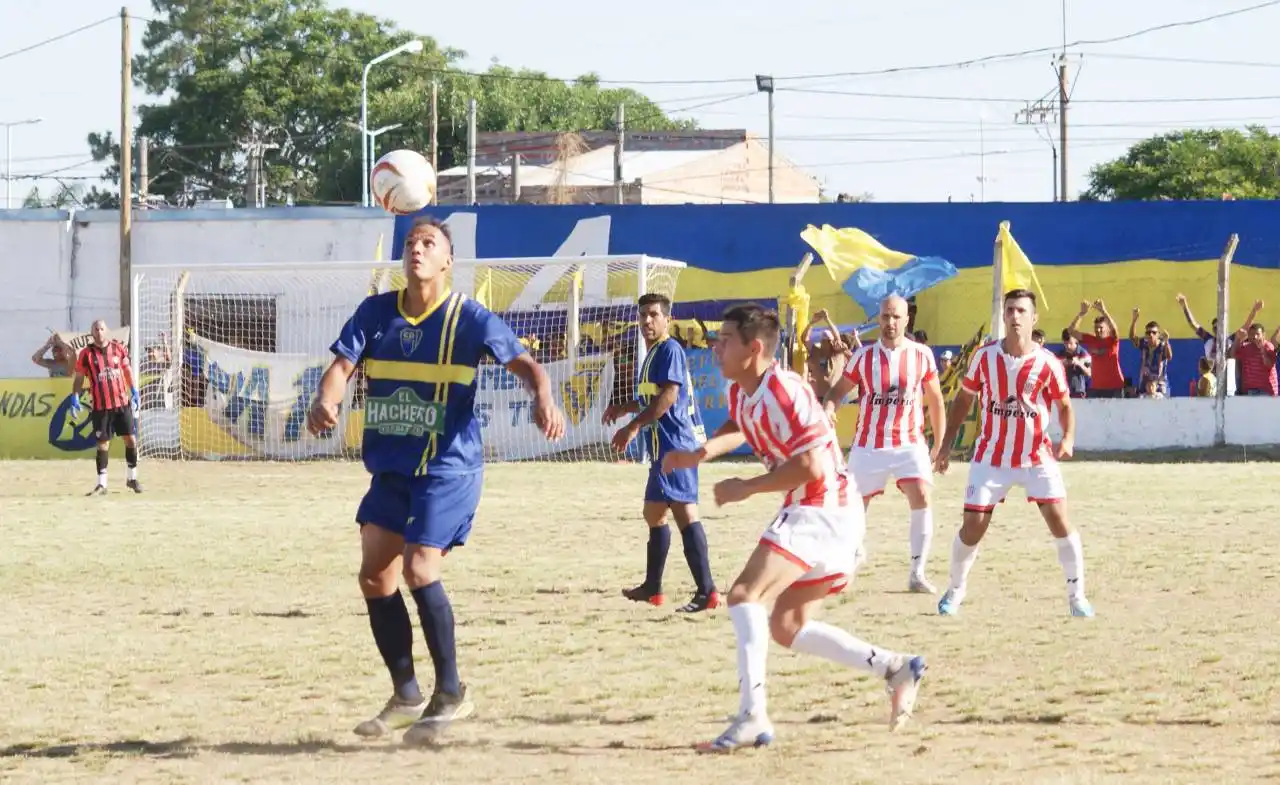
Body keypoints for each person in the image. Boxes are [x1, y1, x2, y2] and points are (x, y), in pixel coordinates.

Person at [307, 216, 566, 746]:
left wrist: (543, 396)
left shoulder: (469, 318)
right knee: (375, 576)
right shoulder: (377, 312)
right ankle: (406, 696)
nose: (417, 250)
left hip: (448, 468)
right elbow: (341, 366)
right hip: (392, 466)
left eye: (429, 243)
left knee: (419, 568)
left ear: (448, 260)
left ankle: (450, 693)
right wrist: (325, 398)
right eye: (410, 242)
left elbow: (527, 364)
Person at [663, 303, 926, 752]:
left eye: (725, 340)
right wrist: (700, 453)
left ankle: (752, 717)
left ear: (754, 348)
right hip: (829, 509)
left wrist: (746, 487)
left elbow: (811, 465)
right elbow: (740, 423)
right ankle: (894, 667)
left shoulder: (785, 389)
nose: (715, 348)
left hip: (822, 505)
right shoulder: (742, 390)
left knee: (744, 595)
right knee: (786, 625)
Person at [933, 289, 1093, 618]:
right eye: (1010, 310)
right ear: (1003, 316)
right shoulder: (984, 357)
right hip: (992, 456)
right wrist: (946, 444)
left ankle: (1077, 596)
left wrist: (1068, 438)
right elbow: (964, 400)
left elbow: (1064, 405)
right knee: (973, 525)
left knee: (1059, 521)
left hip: (1036, 456)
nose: (1015, 316)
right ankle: (956, 589)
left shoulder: (1048, 363)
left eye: (1021, 311)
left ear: (1034, 318)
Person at [821, 295, 945, 594]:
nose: (890, 322)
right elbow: (836, 392)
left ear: (907, 320)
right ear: (879, 319)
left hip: (909, 442)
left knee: (922, 496)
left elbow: (935, 400)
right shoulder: (863, 358)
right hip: (869, 445)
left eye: (896, 317)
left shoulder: (921, 355)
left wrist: (940, 444)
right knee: (853, 506)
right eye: (886, 316)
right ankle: (852, 555)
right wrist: (829, 407)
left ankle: (917, 572)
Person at [604, 293, 718, 613]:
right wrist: (624, 408)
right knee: (653, 513)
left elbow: (668, 396)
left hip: (675, 445)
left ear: (668, 319)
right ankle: (653, 588)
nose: (647, 320)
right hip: (662, 448)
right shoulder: (654, 352)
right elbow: (651, 398)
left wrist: (632, 427)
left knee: (685, 515)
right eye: (643, 315)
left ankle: (707, 591)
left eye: (654, 315)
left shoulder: (670, 350)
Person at [70, 320, 141, 496]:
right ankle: (102, 484)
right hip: (101, 407)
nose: (99, 332)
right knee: (103, 444)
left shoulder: (118, 349)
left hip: (121, 403)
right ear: (92, 332)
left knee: (131, 440)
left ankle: (132, 478)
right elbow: (79, 377)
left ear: (106, 331)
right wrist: (75, 396)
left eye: (102, 329)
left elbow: (127, 370)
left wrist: (133, 389)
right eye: (96, 329)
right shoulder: (86, 354)